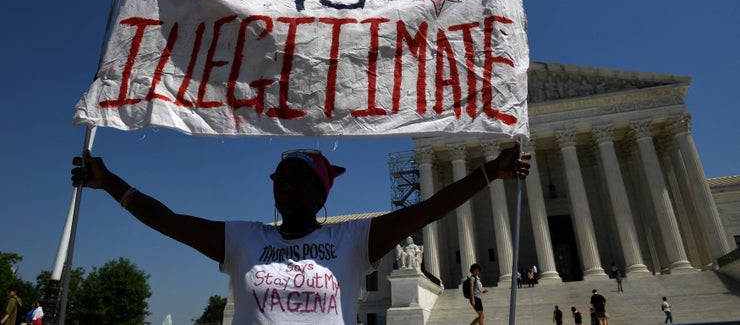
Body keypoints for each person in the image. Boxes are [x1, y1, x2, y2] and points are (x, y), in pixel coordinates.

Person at [72, 144, 530, 324]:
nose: (286, 185)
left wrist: (490, 172)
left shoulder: (352, 241)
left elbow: (428, 209)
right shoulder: (244, 239)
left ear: (322, 192)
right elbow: (170, 222)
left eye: (299, 178)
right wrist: (109, 181)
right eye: (279, 178)